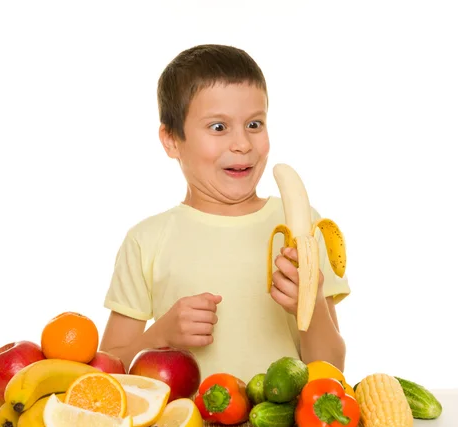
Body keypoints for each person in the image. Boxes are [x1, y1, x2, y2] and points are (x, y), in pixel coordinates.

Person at [99, 44, 351, 384]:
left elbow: (332, 367)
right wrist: (160, 335)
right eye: (218, 127)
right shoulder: (146, 240)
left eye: (254, 124)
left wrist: (311, 303)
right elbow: (107, 370)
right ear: (172, 140)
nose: (242, 144)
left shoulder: (301, 226)